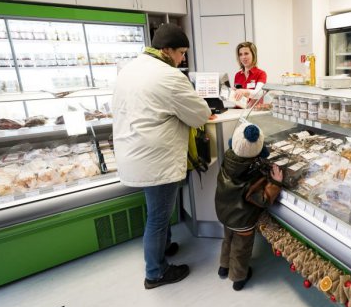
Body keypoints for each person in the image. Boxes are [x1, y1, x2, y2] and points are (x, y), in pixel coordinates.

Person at [112, 23, 211, 290]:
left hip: (134, 152)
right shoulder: (169, 76)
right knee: (157, 217)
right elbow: (200, 115)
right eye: (181, 52)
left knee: (156, 211)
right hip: (155, 158)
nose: (182, 59)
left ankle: (163, 247)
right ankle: (155, 273)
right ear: (167, 51)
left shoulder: (130, 68)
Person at [215, 123, 283, 291]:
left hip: (225, 212)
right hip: (242, 220)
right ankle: (238, 278)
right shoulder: (249, 176)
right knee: (241, 249)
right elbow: (263, 200)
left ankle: (224, 266)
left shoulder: (229, 159)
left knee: (228, 240)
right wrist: (275, 183)